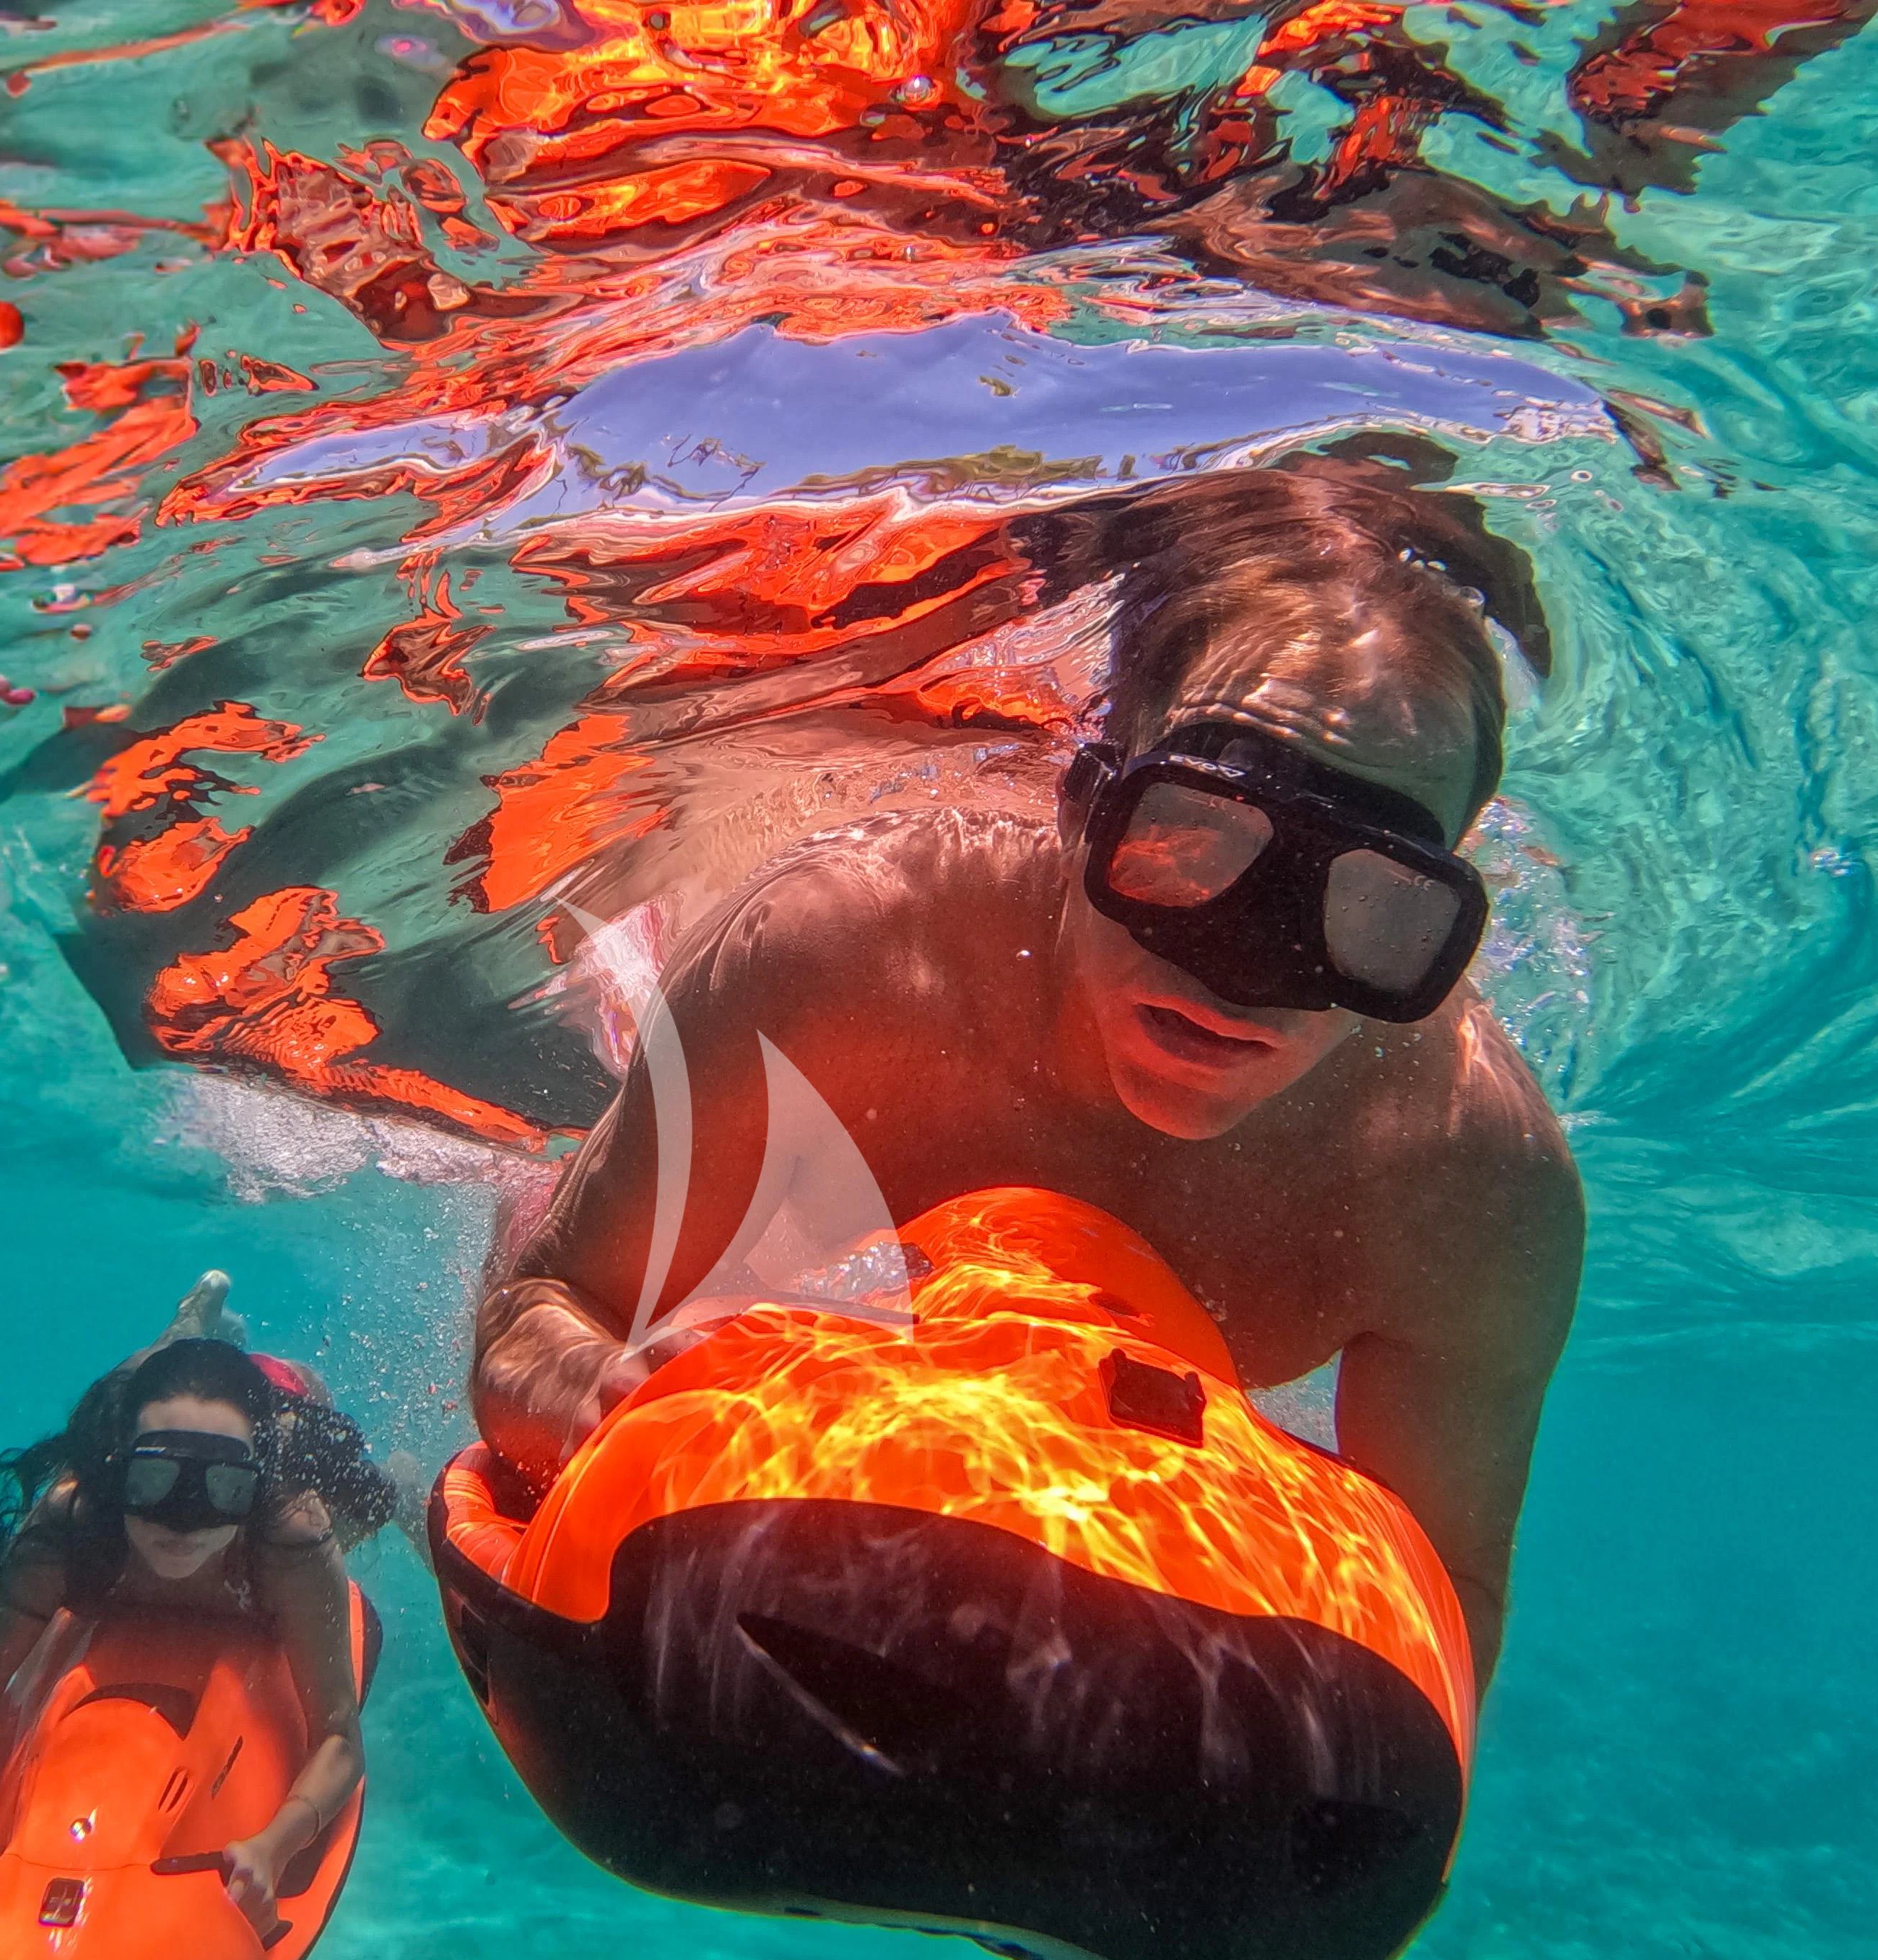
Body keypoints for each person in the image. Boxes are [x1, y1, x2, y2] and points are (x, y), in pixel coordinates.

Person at [471, 460, 1584, 1691]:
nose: (1246, 976)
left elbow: (1439, 1603)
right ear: (1081, 810)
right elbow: (546, 1307)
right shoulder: (843, 957)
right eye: (1193, 838)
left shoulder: (1466, 1177)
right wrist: (611, 1403)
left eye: (1375, 907)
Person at [0, 1279, 394, 1925]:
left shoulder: (286, 1534)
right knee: (144, 1376)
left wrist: (274, 1847)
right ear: (119, 1477)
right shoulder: (77, 1526)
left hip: (278, 1419)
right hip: (165, 1414)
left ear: (252, 1489)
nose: (183, 1521)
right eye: (155, 1480)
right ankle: (189, 1325)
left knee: (364, 1494)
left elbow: (338, 1735)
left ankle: (407, 1480)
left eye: (221, 1489)